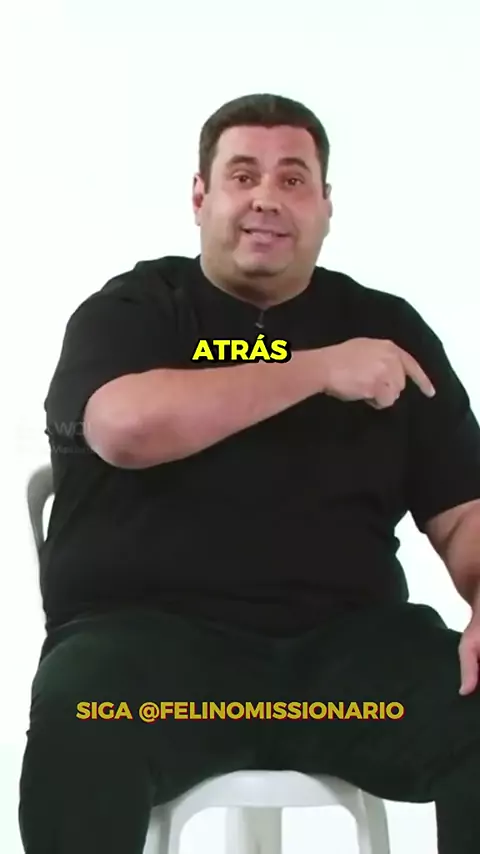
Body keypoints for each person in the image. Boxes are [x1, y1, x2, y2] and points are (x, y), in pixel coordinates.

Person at [18, 92, 480, 854]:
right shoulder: (134, 311)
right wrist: (318, 369)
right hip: (155, 670)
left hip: (347, 678)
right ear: (200, 197)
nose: (267, 197)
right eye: (243, 175)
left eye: (293, 179)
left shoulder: (388, 328)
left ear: (326, 207)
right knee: (83, 715)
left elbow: (462, 511)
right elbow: (125, 428)